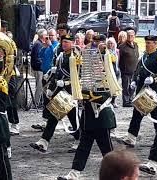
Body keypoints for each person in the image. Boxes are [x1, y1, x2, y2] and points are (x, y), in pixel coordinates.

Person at [57, 34, 116, 179]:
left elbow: (105, 95)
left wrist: (84, 94)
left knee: (107, 151)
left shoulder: (106, 75)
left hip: (101, 118)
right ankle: (74, 173)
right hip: (88, 117)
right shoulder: (87, 77)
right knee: (83, 147)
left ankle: (117, 174)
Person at [29, 34, 81, 153]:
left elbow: (79, 76)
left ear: (72, 43)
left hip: (70, 90)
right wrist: (51, 84)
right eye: (63, 42)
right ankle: (44, 142)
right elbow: (57, 73)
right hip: (59, 89)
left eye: (67, 42)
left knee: (67, 117)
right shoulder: (61, 55)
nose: (64, 44)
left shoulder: (76, 57)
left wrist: (67, 82)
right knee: (58, 115)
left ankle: (79, 139)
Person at [118, 35, 157, 147]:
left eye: (150, 43)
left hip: (153, 91)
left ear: (156, 44)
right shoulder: (145, 55)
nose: (147, 45)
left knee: (156, 116)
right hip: (141, 90)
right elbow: (138, 69)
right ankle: (131, 138)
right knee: (136, 114)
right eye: (146, 43)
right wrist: (134, 80)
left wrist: (154, 79)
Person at [118, 30, 139, 107]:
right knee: (126, 87)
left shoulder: (136, 45)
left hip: (134, 70)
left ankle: (131, 100)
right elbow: (119, 59)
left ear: (134, 36)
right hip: (125, 71)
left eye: (132, 35)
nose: (130, 37)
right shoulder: (122, 47)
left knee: (133, 86)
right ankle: (126, 101)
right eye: (129, 35)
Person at [31, 28, 47, 107]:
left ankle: (39, 102)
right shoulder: (38, 44)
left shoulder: (38, 43)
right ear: (43, 36)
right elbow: (38, 58)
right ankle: (36, 103)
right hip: (38, 68)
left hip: (38, 67)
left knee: (40, 85)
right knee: (39, 86)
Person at [106, 37, 121, 108]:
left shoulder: (117, 51)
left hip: (116, 70)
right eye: (109, 43)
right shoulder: (106, 51)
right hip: (109, 71)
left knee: (115, 87)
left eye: (111, 43)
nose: (110, 45)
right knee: (109, 87)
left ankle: (114, 101)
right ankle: (109, 101)